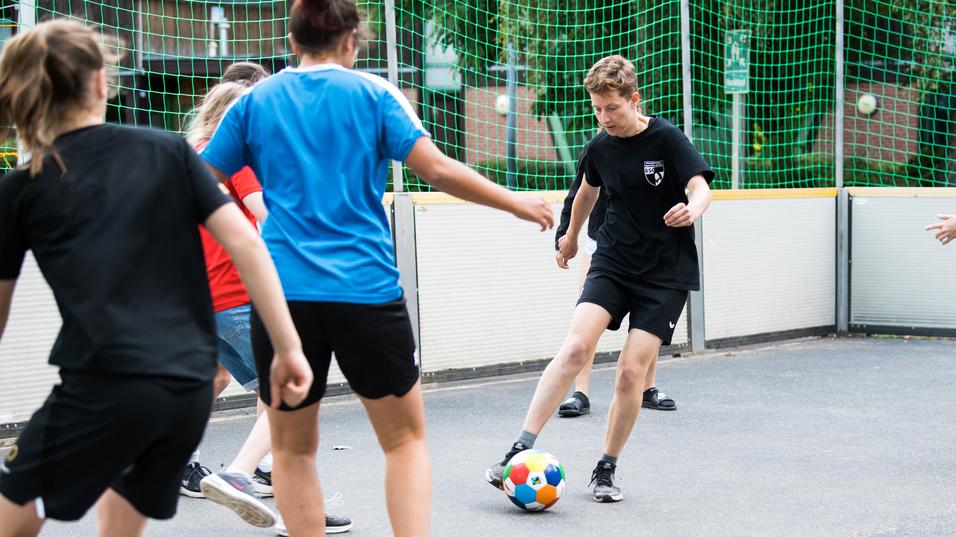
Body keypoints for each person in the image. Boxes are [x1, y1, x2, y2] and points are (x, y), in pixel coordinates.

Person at [200, 0, 553, 534]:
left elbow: (199, 179)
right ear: (351, 41)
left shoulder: (254, 103)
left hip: (284, 297)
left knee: (292, 450)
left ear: (292, 42)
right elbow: (437, 170)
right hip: (364, 291)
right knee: (404, 441)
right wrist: (515, 202)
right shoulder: (374, 94)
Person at [0, 20, 311, 537]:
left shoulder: (21, 188)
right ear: (101, 83)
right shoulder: (167, 151)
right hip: (184, 387)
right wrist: (288, 347)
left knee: (14, 509)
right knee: (121, 516)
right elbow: (249, 244)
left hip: (103, 381)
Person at [484, 54, 713, 503]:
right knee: (574, 347)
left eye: (612, 108)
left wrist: (693, 209)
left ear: (634, 99)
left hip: (665, 274)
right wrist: (570, 237)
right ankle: (517, 450)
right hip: (614, 260)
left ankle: (606, 469)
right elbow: (586, 192)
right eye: (597, 109)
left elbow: (700, 186)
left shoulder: (667, 138)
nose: (604, 117)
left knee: (630, 373)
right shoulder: (599, 147)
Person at [182, 81, 352, 533]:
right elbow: (265, 213)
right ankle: (270, 490)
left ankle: (239, 471)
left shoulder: (190, 157)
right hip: (237, 293)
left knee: (253, 388)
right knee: (294, 392)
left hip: (201, 298)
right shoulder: (233, 156)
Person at [554, 169, 677, 417]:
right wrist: (564, 237)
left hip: (645, 244)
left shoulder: (656, 149)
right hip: (602, 244)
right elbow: (578, 194)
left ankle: (647, 388)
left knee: (648, 317)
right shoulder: (596, 151)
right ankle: (580, 392)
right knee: (587, 318)